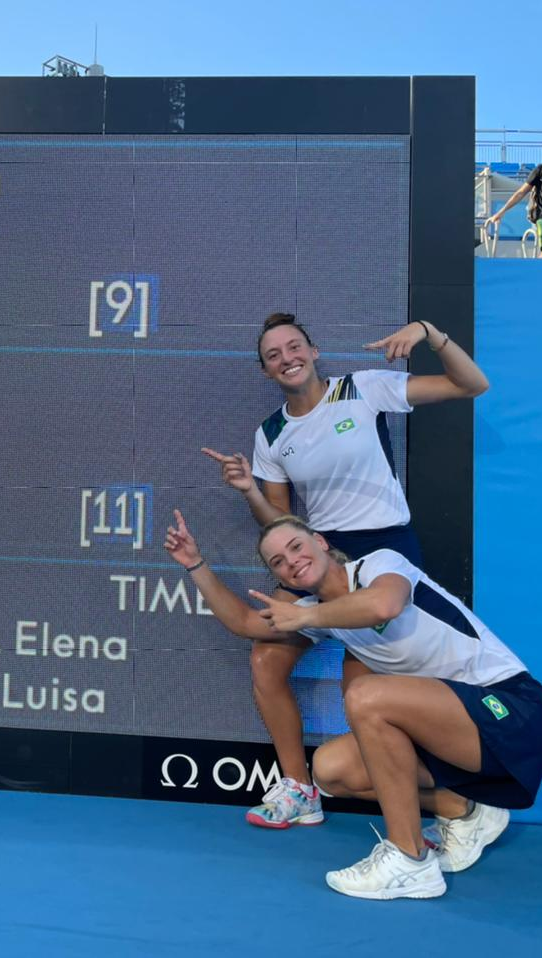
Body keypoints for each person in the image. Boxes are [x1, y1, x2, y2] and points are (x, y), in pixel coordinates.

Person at [164, 511, 542, 900]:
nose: (291, 562)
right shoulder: (320, 615)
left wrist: (306, 617)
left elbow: (383, 606)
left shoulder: (380, 565)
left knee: (366, 694)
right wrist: (195, 564)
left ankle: (410, 860)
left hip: (514, 712)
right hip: (457, 736)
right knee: (330, 770)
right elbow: (247, 624)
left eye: (296, 546)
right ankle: (465, 811)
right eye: (278, 562)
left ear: (321, 542)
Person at [201, 311, 489, 829]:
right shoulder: (270, 434)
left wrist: (430, 333)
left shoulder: (364, 388)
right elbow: (279, 523)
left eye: (294, 347)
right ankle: (298, 788)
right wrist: (249, 490)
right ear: (267, 372)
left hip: (385, 551)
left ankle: (448, 801)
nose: (286, 358)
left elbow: (471, 384)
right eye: (273, 355)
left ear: (312, 352)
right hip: (318, 557)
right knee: (267, 660)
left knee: (364, 694)